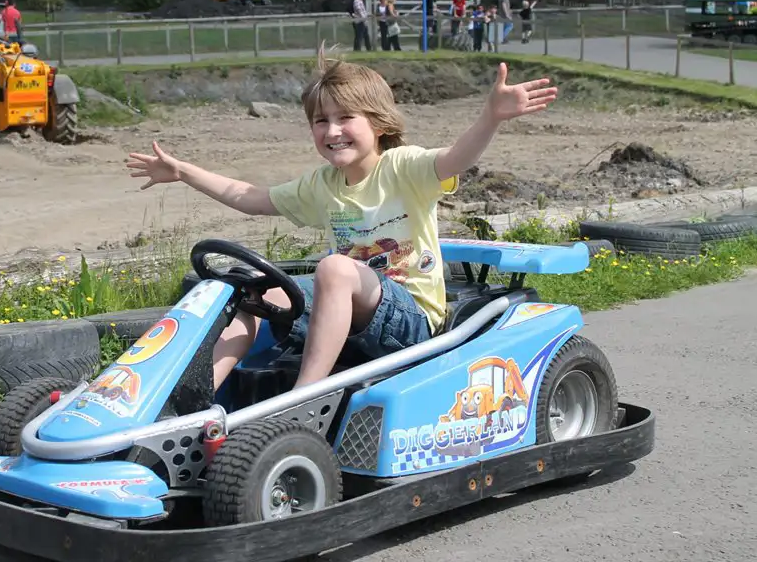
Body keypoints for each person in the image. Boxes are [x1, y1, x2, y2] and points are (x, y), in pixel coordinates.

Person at [125, 44, 558, 391]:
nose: (332, 131)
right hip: (350, 308)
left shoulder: (403, 167)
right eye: (320, 121)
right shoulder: (322, 184)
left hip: (411, 321)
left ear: (379, 123)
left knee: (334, 267)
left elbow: (457, 158)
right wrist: (183, 172)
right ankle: (192, 401)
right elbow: (248, 196)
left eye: (345, 118)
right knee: (252, 294)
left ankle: (304, 397)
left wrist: (491, 117)